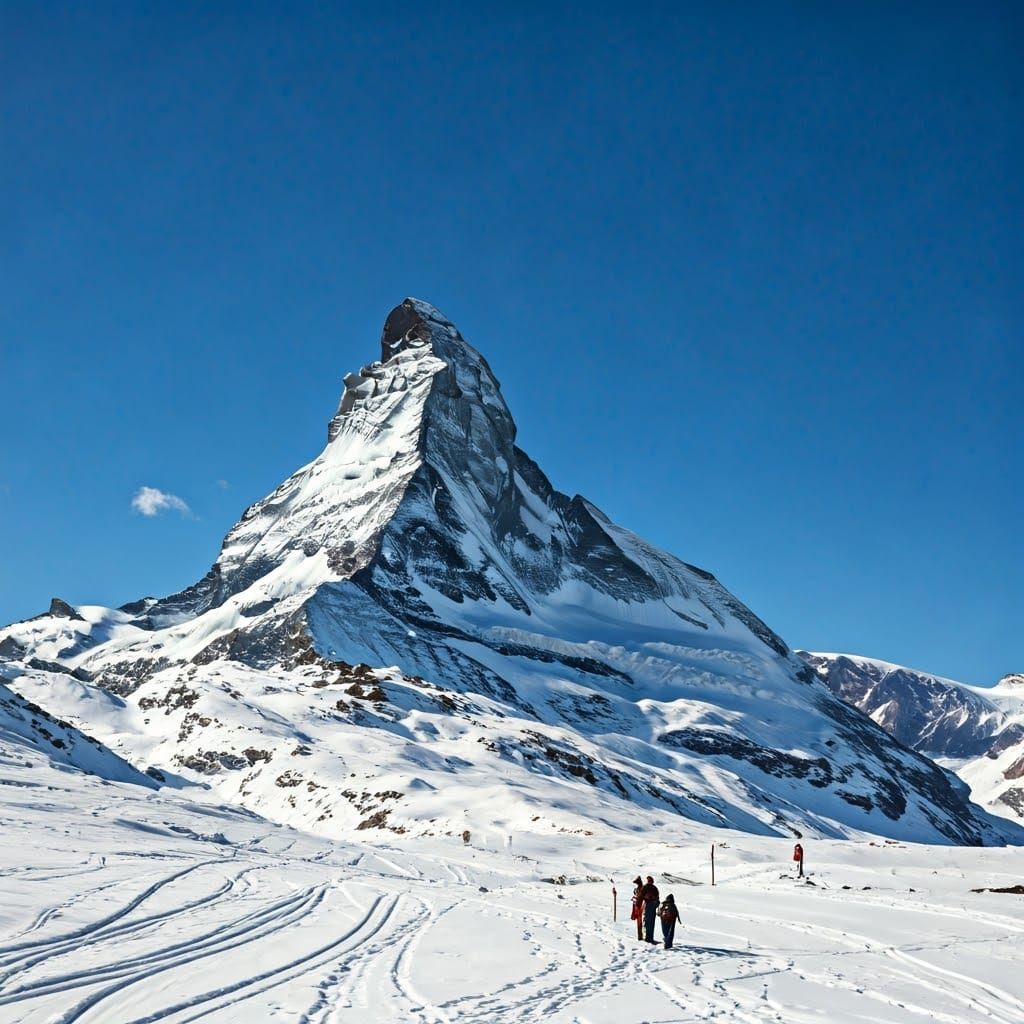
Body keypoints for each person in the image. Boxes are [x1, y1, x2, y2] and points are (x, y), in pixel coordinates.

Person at [640, 875, 660, 943]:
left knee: (648, 922)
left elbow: (641, 896)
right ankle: (648, 937)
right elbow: (657, 898)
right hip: (651, 906)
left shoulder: (646, 887)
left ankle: (647, 937)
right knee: (650, 922)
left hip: (649, 905)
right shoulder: (653, 888)